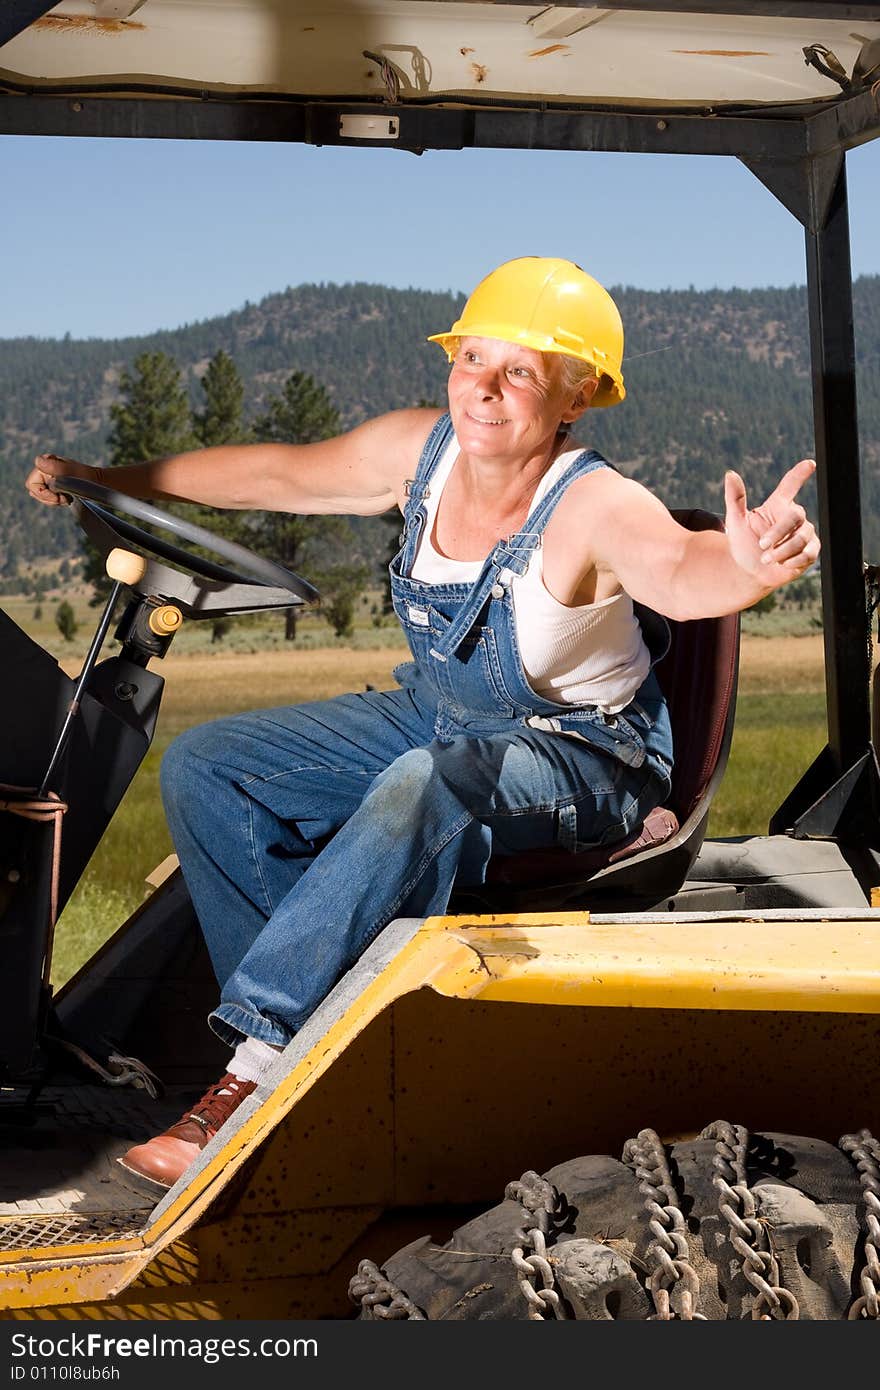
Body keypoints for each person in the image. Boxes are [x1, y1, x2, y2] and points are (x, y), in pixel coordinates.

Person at [26, 257, 819, 1191]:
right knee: (210, 765)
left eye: (519, 371)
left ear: (577, 397)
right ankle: (326, 1053)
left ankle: (249, 1075)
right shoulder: (422, 451)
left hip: (582, 756)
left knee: (422, 783)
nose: (482, 387)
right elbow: (280, 472)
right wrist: (115, 475)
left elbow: (688, 575)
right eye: (472, 358)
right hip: (439, 718)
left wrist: (752, 567)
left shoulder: (597, 504)